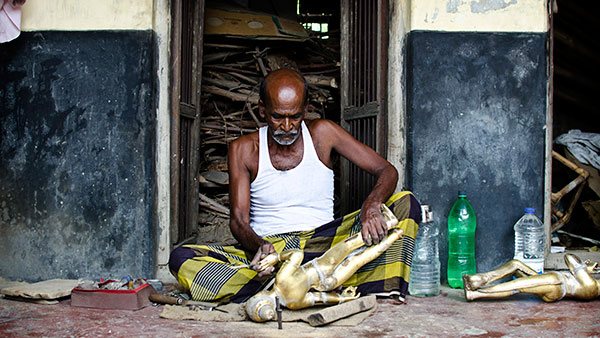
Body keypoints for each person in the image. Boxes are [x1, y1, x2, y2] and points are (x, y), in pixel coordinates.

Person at [169, 68, 421, 303]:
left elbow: (386, 170)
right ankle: (315, 286)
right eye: (278, 117)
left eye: (295, 117)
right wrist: (260, 247)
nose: (287, 127)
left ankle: (281, 291)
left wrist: (372, 204)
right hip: (273, 252)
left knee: (406, 204)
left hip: (325, 245)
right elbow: (238, 220)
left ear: (306, 110)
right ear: (262, 110)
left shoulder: (324, 134)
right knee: (182, 258)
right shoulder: (244, 149)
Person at [463, 253, 600, 302]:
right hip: (554, 280)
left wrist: (586, 268)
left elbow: (569, 257)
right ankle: (482, 279)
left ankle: (477, 293)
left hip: (557, 284)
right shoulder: (592, 285)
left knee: (519, 285)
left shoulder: (591, 287)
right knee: (516, 265)